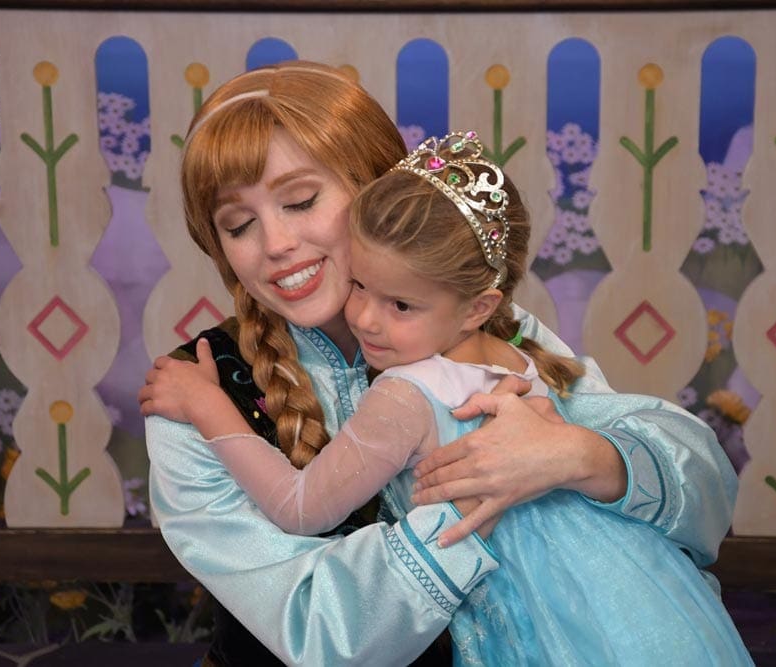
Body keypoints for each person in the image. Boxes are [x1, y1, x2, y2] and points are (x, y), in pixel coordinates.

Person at [141, 61, 739, 666]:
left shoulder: (481, 328)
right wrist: (471, 508)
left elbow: (703, 489)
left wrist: (582, 455)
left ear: (377, 191)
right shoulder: (191, 389)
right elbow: (317, 631)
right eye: (238, 224)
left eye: (300, 201)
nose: (274, 244)